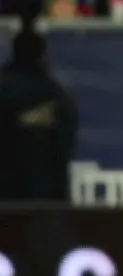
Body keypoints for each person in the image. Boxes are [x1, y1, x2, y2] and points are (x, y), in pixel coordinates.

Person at [0, 20, 78, 202]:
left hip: (8, 196)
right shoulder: (58, 93)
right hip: (46, 194)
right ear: (42, 53)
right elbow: (65, 145)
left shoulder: (56, 93)